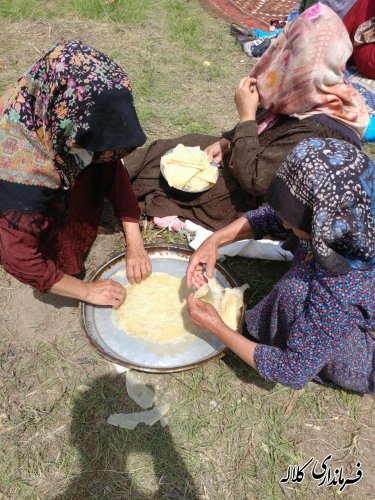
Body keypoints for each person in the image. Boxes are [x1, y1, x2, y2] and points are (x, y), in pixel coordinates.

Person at [124, 3, 368, 231]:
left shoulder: (320, 131)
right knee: (184, 145)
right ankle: (117, 170)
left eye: (290, 55)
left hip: (267, 204)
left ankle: (118, 189)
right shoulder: (318, 88)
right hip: (256, 162)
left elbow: (256, 180)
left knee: (173, 184)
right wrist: (228, 141)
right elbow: (271, 129)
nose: (281, 59)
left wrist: (247, 117)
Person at [186, 138, 375, 394]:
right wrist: (215, 240)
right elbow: (274, 216)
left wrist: (216, 327)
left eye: (292, 219)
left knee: (293, 294)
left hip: (366, 349)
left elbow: (292, 369)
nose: (284, 222)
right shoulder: (347, 212)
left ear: (322, 223)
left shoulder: (343, 285)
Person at [0, 40, 152, 308]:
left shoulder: (53, 103)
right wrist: (86, 291)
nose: (106, 153)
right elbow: (19, 258)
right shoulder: (22, 181)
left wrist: (134, 238)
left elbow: (111, 164)